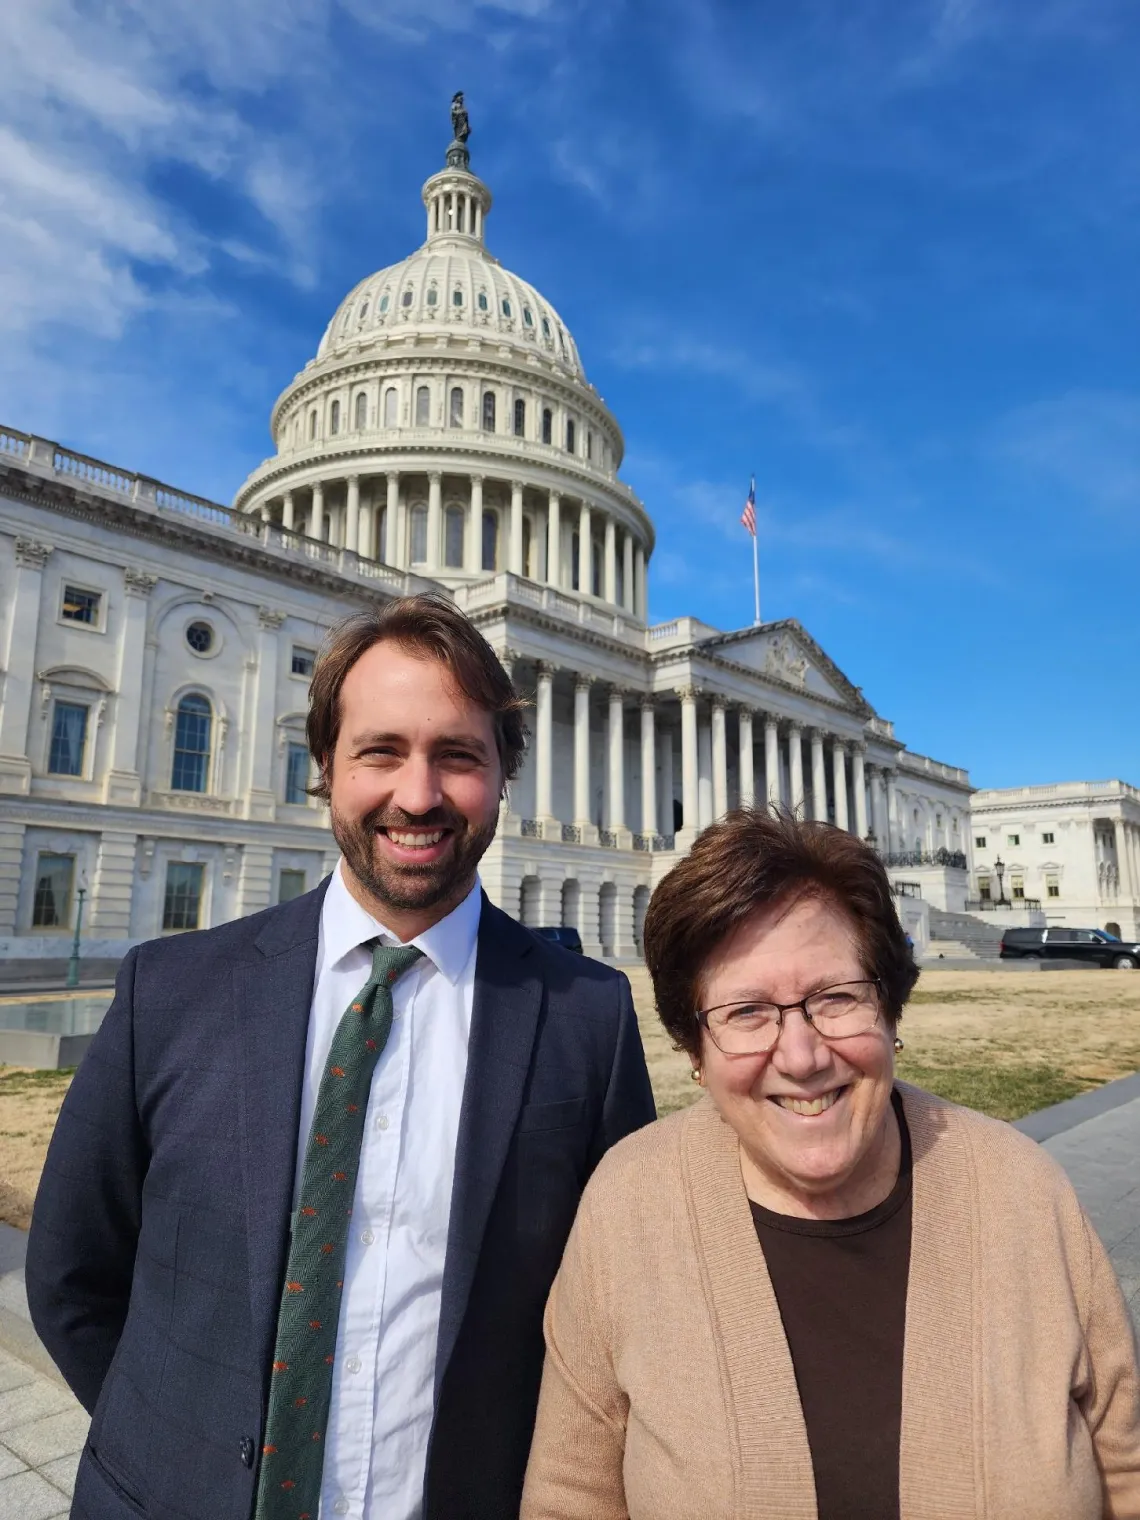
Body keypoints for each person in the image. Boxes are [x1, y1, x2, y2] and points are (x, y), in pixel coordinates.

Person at [27, 592, 654, 1520]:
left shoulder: (586, 1018)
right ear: (323, 765)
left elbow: (616, 1309)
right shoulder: (169, 991)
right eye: (381, 751)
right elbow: (73, 1272)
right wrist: (174, 1445)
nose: (417, 795)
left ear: (504, 774)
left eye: (458, 755)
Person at [523, 808, 1140, 1519]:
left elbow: (1124, 1467)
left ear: (891, 1009)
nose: (802, 1054)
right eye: (747, 1011)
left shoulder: (1023, 1190)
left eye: (836, 997)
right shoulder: (628, 1206)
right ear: (694, 1049)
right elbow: (569, 1499)